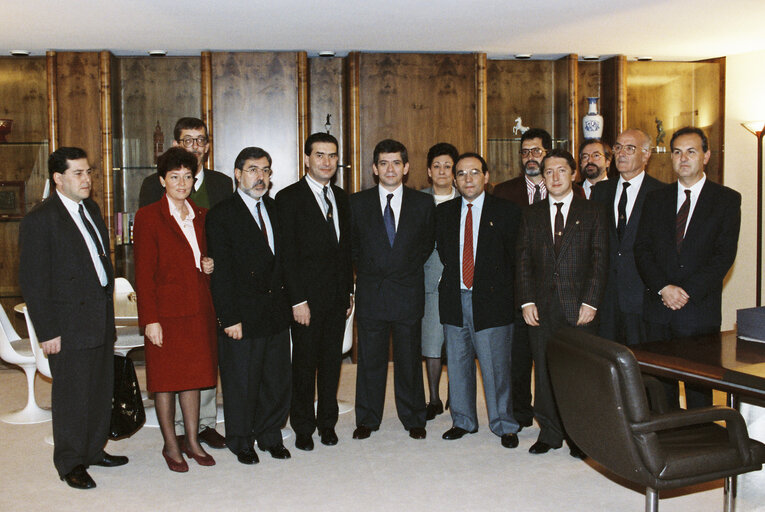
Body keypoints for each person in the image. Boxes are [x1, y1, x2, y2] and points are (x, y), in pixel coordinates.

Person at [19, 147, 128, 489]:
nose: (87, 179)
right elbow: (33, 282)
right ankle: (69, 462)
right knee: (71, 395)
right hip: (66, 325)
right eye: (78, 173)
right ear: (58, 178)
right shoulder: (40, 219)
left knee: (98, 389)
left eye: (88, 172)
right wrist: (47, 331)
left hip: (98, 317)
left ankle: (93, 449)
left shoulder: (91, 209)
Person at [138, 117, 232, 450]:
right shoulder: (149, 205)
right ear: (164, 179)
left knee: (196, 373)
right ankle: (172, 441)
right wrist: (149, 318)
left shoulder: (207, 205)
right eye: (175, 177)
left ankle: (196, 435)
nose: (182, 182)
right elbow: (145, 266)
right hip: (166, 306)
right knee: (166, 378)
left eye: (187, 177)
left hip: (199, 304)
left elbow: (217, 244)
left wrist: (210, 262)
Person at [634, 126, 741, 409]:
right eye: (677, 152)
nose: (683, 158)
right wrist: (664, 288)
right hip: (658, 308)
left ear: (706, 156)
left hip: (698, 310)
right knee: (659, 388)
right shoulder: (655, 198)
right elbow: (642, 250)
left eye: (691, 152)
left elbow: (723, 256)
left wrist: (685, 292)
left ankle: (699, 446)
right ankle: (666, 444)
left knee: (699, 391)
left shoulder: (727, 200)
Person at [516, 148, 608, 458]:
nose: (555, 177)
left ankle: (580, 437)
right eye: (549, 172)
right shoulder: (531, 214)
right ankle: (550, 432)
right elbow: (524, 261)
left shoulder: (593, 211)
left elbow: (599, 260)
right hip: (541, 307)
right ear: (543, 178)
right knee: (543, 370)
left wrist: (591, 302)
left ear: (573, 174)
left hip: (580, 307)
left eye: (561, 171)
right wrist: (527, 301)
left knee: (580, 373)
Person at [207, 147, 292, 464]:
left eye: (266, 170)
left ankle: (270, 435)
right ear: (237, 174)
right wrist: (228, 317)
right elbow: (223, 273)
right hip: (240, 315)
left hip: (275, 312)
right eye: (254, 169)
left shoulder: (276, 208)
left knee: (275, 379)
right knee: (241, 381)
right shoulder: (222, 214)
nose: (261, 177)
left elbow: (284, 263)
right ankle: (240, 439)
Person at [436, 153, 522, 449]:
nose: (468, 179)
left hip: (493, 300)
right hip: (454, 297)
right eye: (461, 174)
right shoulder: (443, 213)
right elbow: (446, 256)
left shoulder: (508, 212)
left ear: (486, 176)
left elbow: (514, 260)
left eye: (474, 172)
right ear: (455, 180)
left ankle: (504, 424)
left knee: (495, 366)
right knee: (457, 364)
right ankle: (462, 421)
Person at [350, 139, 434, 440]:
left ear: (406, 168)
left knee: (409, 358)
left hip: (407, 291)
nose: (390, 169)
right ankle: (368, 419)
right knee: (369, 360)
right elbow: (354, 248)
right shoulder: (357, 204)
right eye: (384, 163)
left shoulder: (423, 204)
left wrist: (400, 266)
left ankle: (413, 417)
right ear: (374, 169)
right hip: (372, 291)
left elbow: (425, 246)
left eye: (396, 163)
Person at [276, 132, 354, 451]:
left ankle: (327, 423)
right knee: (305, 365)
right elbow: (287, 256)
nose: (326, 161)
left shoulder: (342, 197)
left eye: (332, 156)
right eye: (319, 155)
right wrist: (297, 299)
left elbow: (346, 250)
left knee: (332, 364)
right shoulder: (288, 197)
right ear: (306, 158)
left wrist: (349, 291)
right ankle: (304, 427)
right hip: (304, 301)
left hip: (337, 299)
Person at [591, 129, 664, 346]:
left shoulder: (661, 193)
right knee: (607, 367)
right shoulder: (601, 190)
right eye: (618, 147)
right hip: (607, 299)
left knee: (645, 369)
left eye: (630, 148)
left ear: (646, 154)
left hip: (643, 298)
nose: (621, 153)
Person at [420, 142, 459, 420]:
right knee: (432, 341)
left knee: (459, 342)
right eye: (437, 166)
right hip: (429, 281)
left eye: (448, 166)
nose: (443, 171)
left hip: (461, 281)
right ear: (429, 172)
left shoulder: (467, 197)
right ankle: (433, 398)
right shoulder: (418, 201)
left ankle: (456, 397)